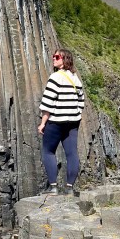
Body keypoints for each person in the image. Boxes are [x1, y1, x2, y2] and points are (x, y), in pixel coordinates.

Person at [38, 48, 85, 194]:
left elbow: (48, 103)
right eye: (53, 56)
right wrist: (74, 115)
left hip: (56, 121)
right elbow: (81, 102)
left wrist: (43, 123)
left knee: (48, 151)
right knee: (72, 153)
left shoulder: (55, 77)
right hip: (73, 122)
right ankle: (70, 188)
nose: (54, 58)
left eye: (57, 57)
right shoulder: (76, 79)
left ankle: (53, 187)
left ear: (65, 61)